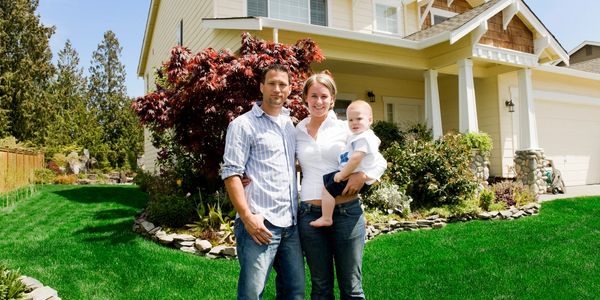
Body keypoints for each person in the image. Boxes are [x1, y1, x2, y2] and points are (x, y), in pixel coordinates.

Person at [296, 72, 385, 299]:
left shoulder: (347, 128)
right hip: (309, 215)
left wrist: (363, 176)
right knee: (320, 287)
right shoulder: (296, 130)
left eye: (324, 96)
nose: (319, 101)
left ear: (333, 99)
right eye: (313, 96)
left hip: (346, 213)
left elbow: (379, 160)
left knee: (352, 288)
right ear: (305, 98)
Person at [222, 64, 305, 300]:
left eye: (282, 84)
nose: (277, 89)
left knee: (294, 292)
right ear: (261, 87)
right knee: (251, 294)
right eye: (272, 83)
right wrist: (248, 218)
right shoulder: (243, 125)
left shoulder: (291, 125)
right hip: (260, 224)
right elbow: (231, 173)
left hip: (290, 225)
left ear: (289, 89)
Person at [310, 100, 387, 227]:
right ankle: (327, 217)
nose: (354, 123)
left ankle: (326, 218)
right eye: (350, 120)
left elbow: (356, 159)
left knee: (327, 189)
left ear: (370, 120)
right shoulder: (357, 136)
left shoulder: (364, 137)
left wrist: (342, 174)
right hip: (353, 174)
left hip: (352, 175)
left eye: (359, 119)